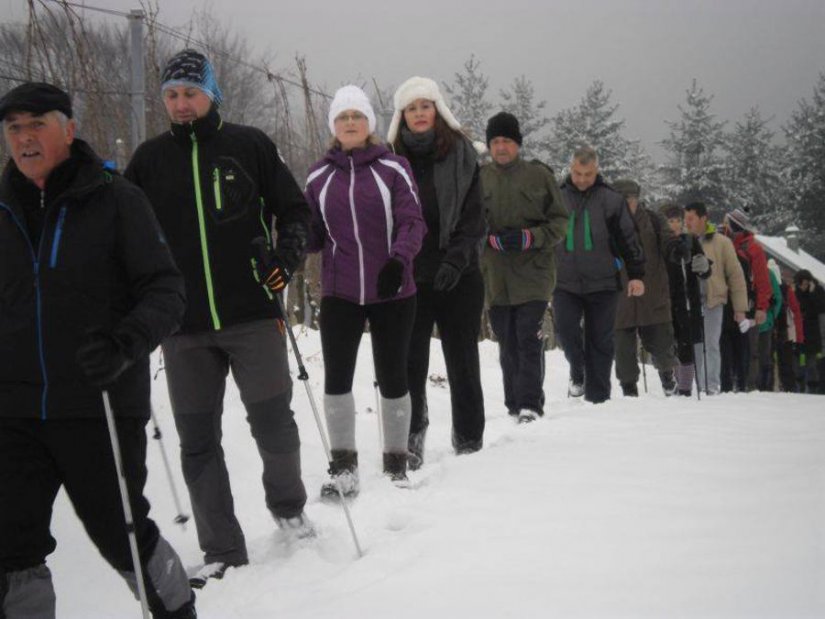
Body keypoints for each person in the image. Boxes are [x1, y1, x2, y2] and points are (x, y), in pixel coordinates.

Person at [0, 83, 195, 617]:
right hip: (13, 410)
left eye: (36, 124)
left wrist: (124, 342)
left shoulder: (115, 199)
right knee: (11, 546)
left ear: (68, 127)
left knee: (122, 531)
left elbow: (166, 290)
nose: (24, 138)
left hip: (99, 403)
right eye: (14, 127)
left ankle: (177, 610)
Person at [124, 49, 312, 587]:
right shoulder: (148, 160)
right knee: (197, 439)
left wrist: (286, 257)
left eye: (190, 93)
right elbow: (126, 233)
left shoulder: (248, 145)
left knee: (273, 422)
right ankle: (223, 547)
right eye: (172, 95)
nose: (181, 104)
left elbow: (294, 209)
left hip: (252, 313)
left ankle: (289, 507)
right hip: (182, 327)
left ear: (212, 94)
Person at [304, 85, 425, 492]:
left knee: (393, 375)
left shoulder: (393, 168)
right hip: (340, 292)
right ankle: (344, 467)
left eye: (357, 116)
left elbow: (413, 221)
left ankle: (395, 463)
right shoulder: (319, 177)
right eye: (343, 118)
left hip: (392, 288)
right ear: (334, 126)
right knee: (336, 377)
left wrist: (399, 258)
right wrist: (291, 238)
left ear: (369, 124)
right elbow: (312, 234)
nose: (350, 123)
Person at [388, 76, 486, 467]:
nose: (419, 114)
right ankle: (413, 438)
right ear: (402, 116)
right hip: (411, 275)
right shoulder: (390, 160)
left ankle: (469, 439)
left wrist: (455, 260)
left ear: (437, 109)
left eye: (424, 106)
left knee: (462, 360)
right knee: (411, 362)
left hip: (459, 274)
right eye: (411, 108)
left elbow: (475, 217)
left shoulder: (463, 154)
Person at [479, 112, 568, 422]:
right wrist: (489, 240)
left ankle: (531, 404)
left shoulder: (539, 176)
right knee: (506, 343)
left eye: (506, 141)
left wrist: (532, 237)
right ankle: (513, 405)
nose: (501, 147)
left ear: (517, 144)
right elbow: (468, 226)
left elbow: (560, 223)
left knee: (526, 338)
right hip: (497, 277)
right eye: (495, 141)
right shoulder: (480, 179)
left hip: (534, 274)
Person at [552, 146, 645, 404]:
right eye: (577, 173)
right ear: (570, 169)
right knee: (566, 331)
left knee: (601, 342)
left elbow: (629, 238)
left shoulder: (611, 199)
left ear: (597, 171)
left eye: (588, 174)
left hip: (604, 282)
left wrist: (636, 274)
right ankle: (578, 369)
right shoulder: (557, 196)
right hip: (564, 282)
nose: (582, 179)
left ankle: (599, 399)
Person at [611, 180, 688, 397]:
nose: (628, 205)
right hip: (620, 299)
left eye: (631, 200)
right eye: (623, 201)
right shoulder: (605, 223)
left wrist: (677, 249)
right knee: (623, 353)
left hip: (652, 294)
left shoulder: (653, 220)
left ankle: (667, 378)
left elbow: (668, 241)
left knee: (663, 347)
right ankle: (629, 391)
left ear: (638, 200)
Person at [683, 202, 748, 395]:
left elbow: (736, 276)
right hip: (689, 302)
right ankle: (697, 384)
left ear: (703, 218)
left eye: (691, 218)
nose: (687, 223)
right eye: (685, 218)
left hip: (714, 299)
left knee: (711, 343)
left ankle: (711, 386)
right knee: (695, 344)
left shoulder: (721, 242)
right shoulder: (682, 241)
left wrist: (740, 308)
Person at [661, 203, 711, 396]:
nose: (675, 225)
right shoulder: (660, 242)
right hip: (665, 301)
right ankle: (671, 385)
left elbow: (705, 271)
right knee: (668, 346)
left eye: (678, 221)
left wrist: (704, 267)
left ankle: (685, 388)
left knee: (686, 345)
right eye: (670, 221)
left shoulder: (690, 240)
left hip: (687, 301)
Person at [723, 208, 774, 390]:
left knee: (744, 345)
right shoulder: (725, 242)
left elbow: (762, 281)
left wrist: (761, 308)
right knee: (728, 344)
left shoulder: (753, 248)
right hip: (726, 302)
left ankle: (743, 383)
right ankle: (729, 383)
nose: (724, 225)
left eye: (726, 222)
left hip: (747, 304)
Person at [769, 259, 805, 392]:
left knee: (772, 361)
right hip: (786, 331)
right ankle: (789, 388)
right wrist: (799, 338)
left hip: (773, 329)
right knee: (786, 363)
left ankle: (775, 388)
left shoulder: (773, 288)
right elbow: (796, 312)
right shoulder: (786, 289)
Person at [794, 269, 825, 393]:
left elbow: (821, 308)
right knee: (799, 363)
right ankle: (799, 386)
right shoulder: (797, 293)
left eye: (806, 284)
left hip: (813, 334)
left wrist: (812, 293)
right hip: (800, 333)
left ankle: (813, 388)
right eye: (801, 284)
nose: (803, 287)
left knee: (812, 364)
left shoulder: (818, 292)